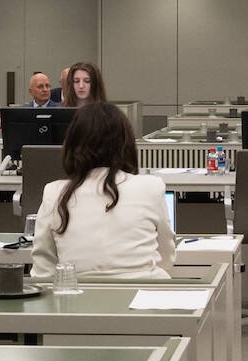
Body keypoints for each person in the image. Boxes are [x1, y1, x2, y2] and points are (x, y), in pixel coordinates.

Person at [30, 103, 175, 281]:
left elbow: (44, 269)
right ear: (126, 143)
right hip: (144, 298)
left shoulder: (54, 192)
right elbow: (167, 257)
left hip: (77, 303)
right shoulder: (151, 186)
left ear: (72, 144)